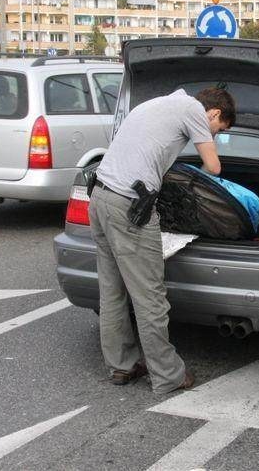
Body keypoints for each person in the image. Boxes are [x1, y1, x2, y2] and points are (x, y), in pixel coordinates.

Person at [89, 87, 236, 394]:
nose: (216, 135)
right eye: (219, 130)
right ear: (215, 113)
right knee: (150, 297)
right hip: (129, 207)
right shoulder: (195, 111)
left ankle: (122, 366)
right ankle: (168, 375)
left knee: (112, 290)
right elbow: (214, 167)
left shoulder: (155, 102)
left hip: (99, 197)